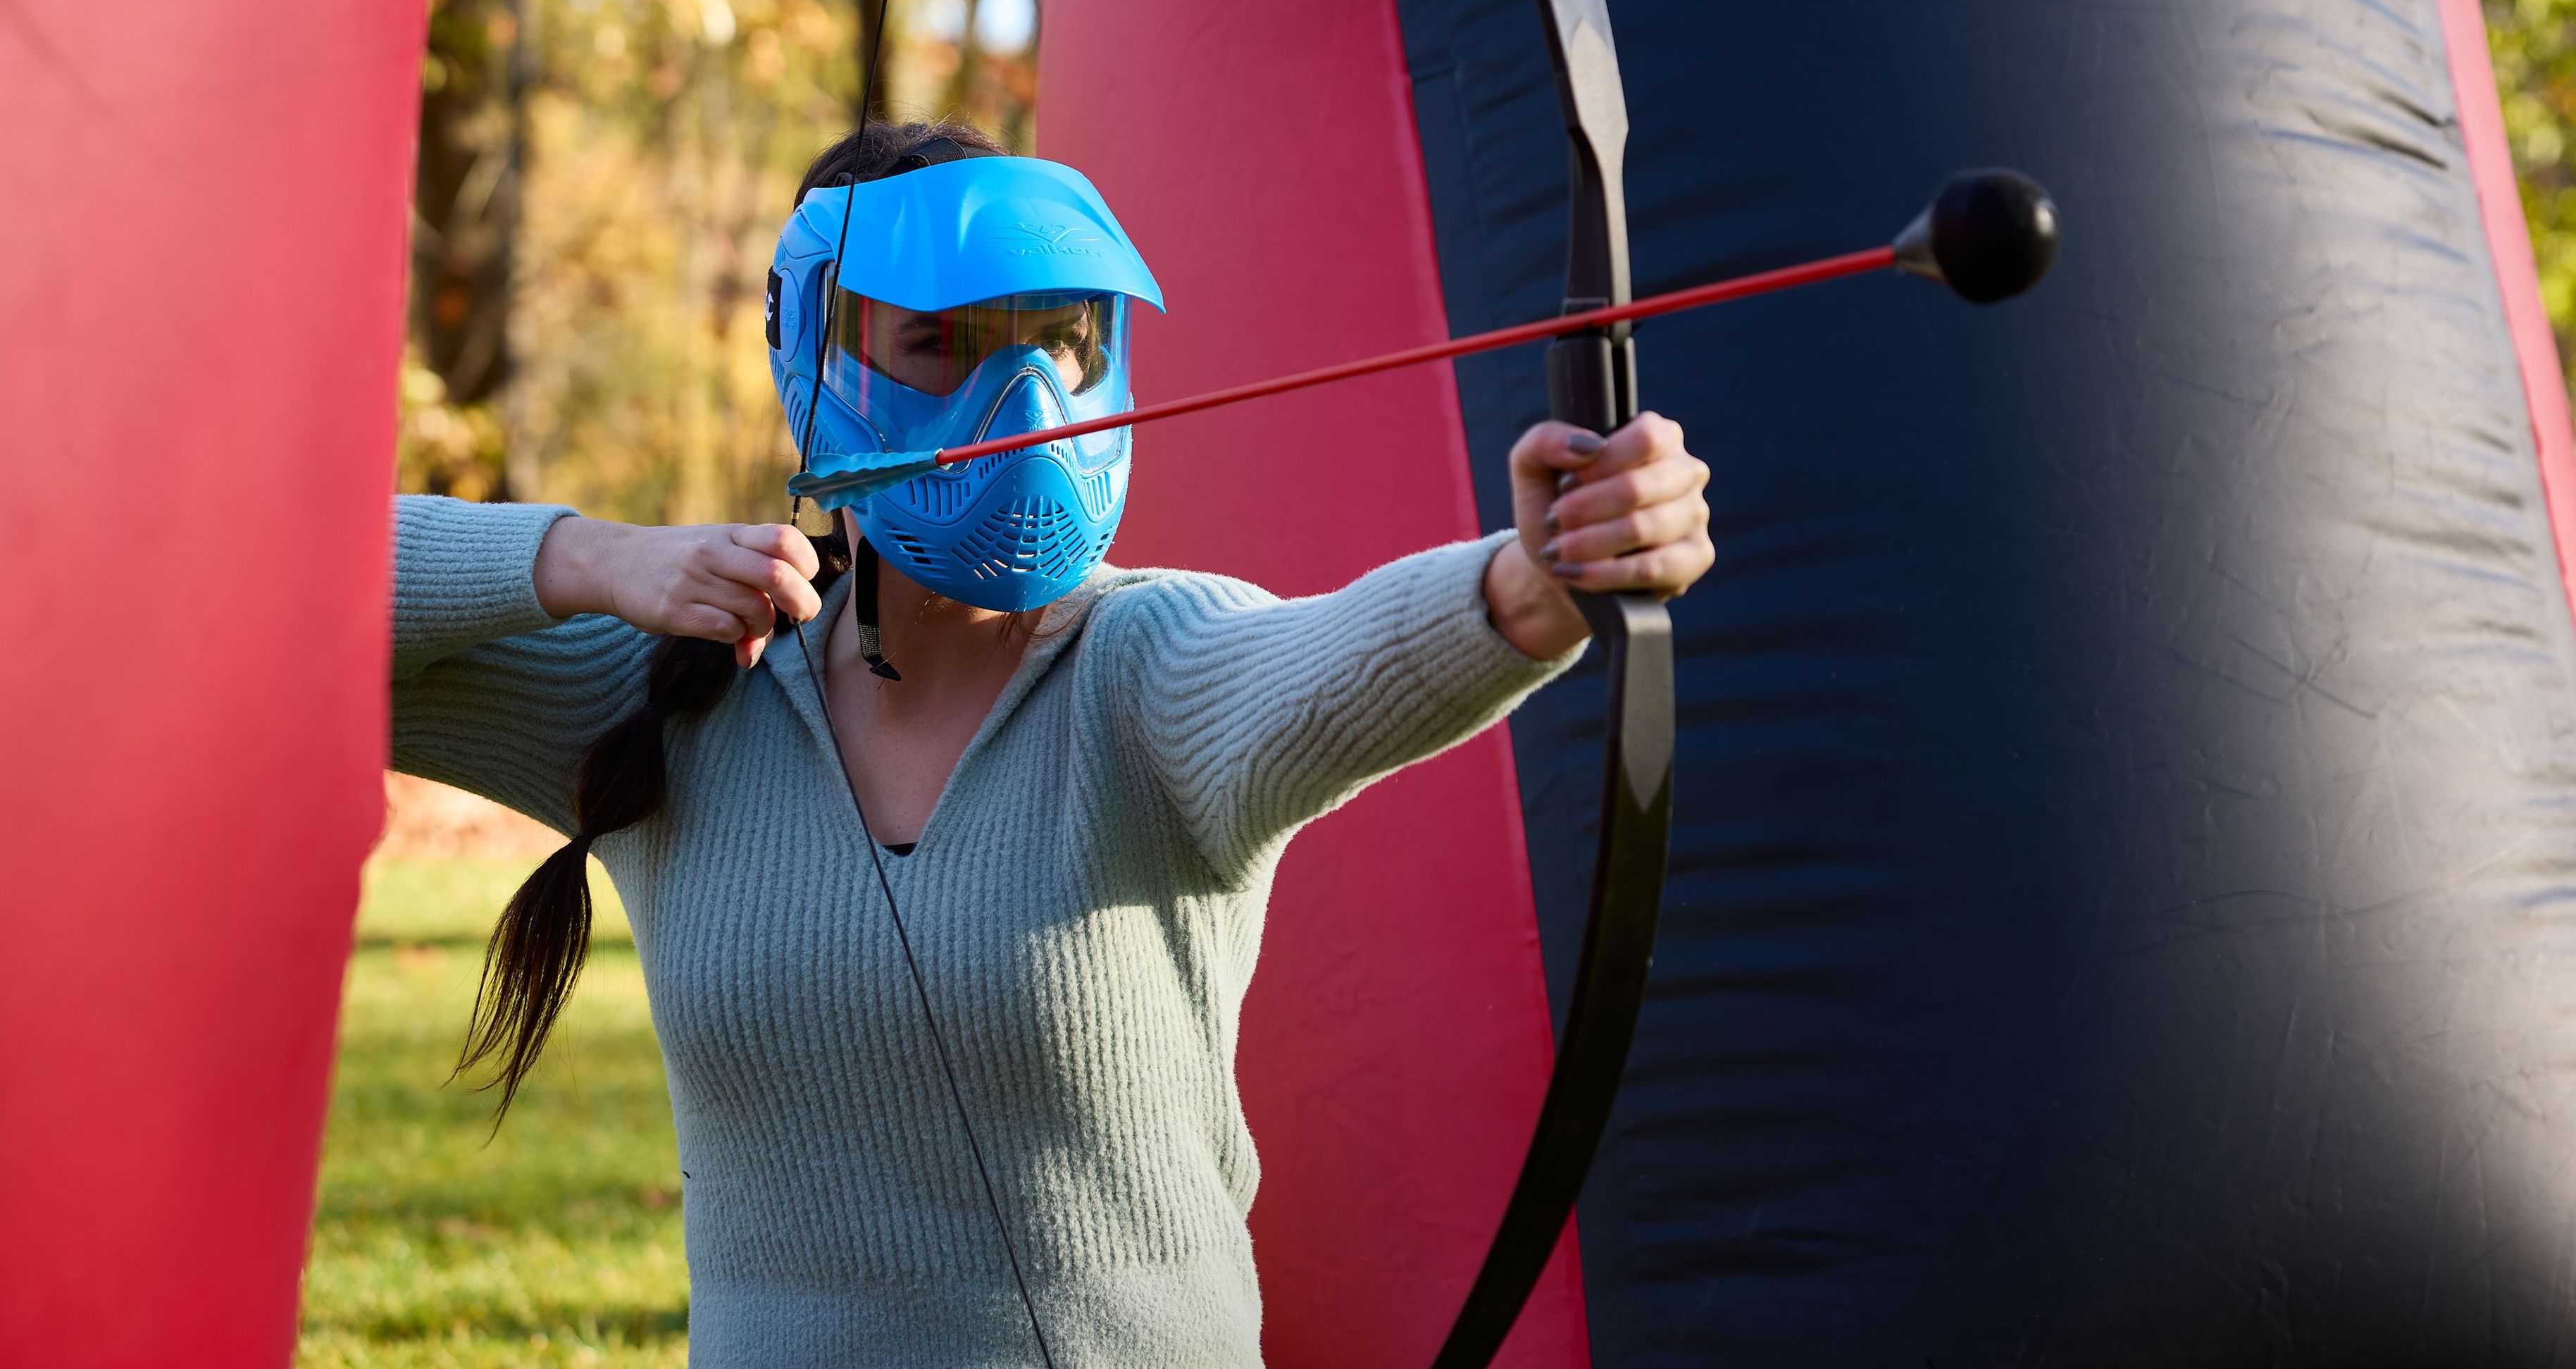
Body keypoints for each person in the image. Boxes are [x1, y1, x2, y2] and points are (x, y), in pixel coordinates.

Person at [390, 116, 1715, 1366]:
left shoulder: (1146, 666)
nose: (1024, 398)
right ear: (817, 357)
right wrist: (583, 555)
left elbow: (1337, 656)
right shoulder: (686, 687)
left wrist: (1540, 579)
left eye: (1058, 342)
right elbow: (257, 598)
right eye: (942, 345)